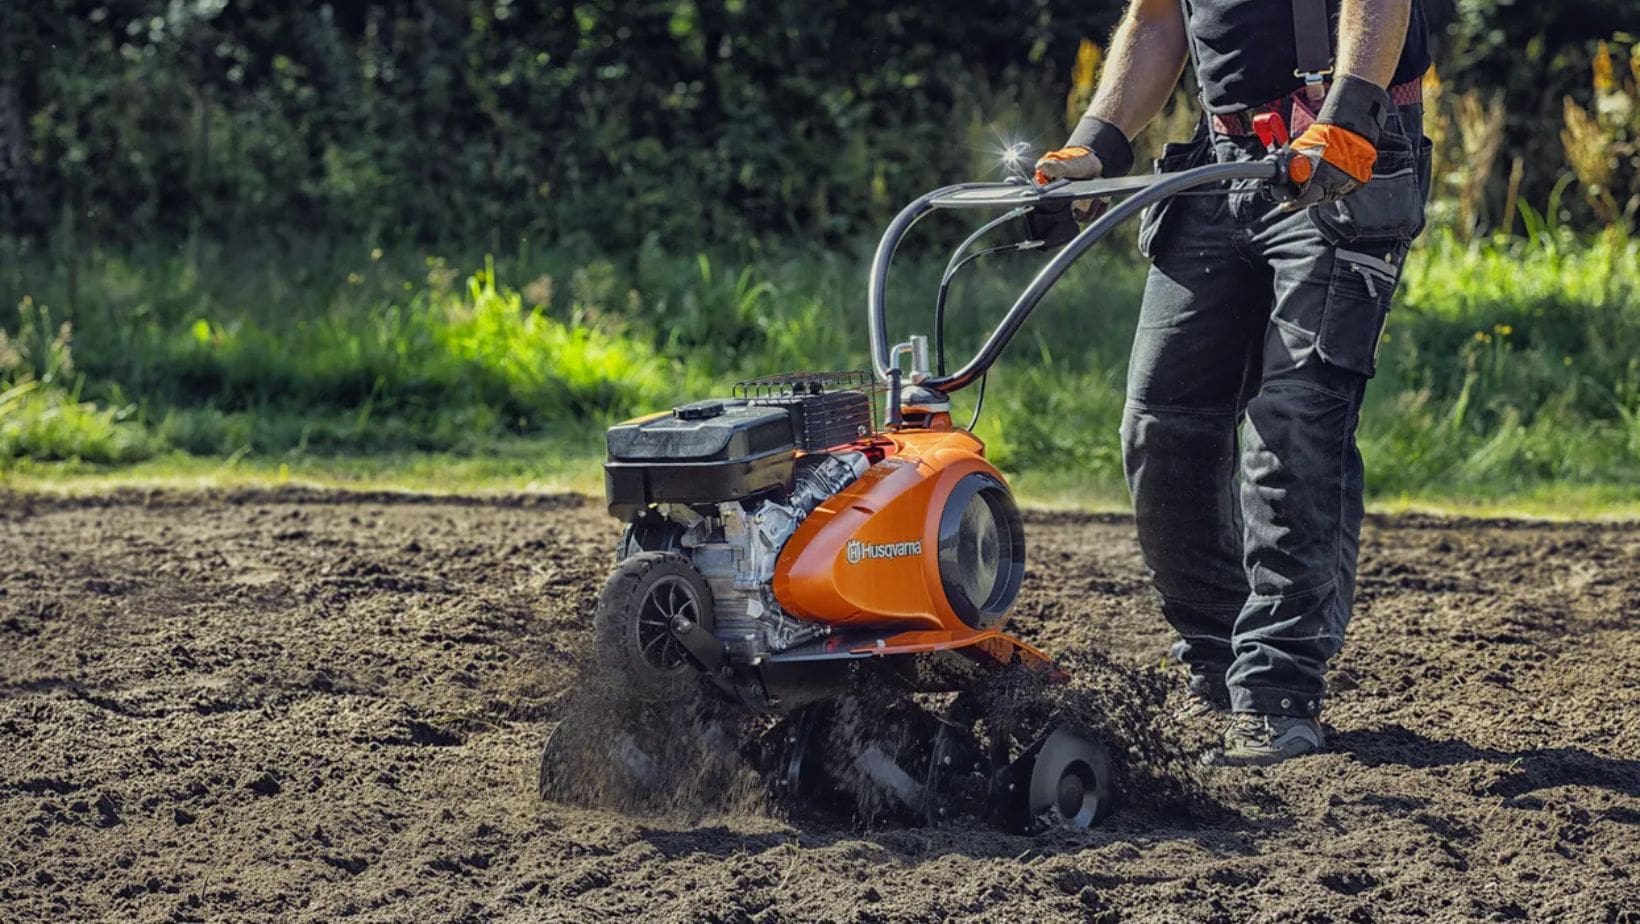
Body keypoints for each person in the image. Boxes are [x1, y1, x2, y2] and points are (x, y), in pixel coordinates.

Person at [1035, 0, 1432, 765]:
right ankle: (1217, 666)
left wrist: (1349, 112)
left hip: (1346, 160)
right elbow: (1158, 20)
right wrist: (1095, 145)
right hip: (1222, 167)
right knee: (1160, 424)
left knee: (1293, 425)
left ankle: (1277, 692)